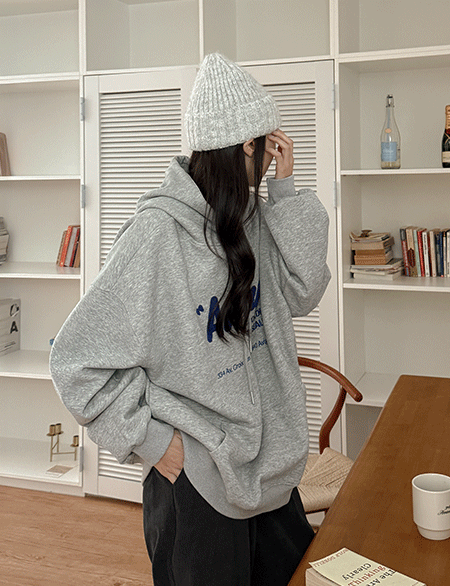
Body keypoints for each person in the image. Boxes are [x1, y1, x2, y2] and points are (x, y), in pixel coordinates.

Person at [50, 53, 331, 586]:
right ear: (247, 145)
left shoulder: (252, 218)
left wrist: (286, 193)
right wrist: (157, 444)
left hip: (269, 471)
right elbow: (75, 362)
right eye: (268, 144)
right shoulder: (156, 235)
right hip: (197, 482)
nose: (273, 156)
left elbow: (304, 290)